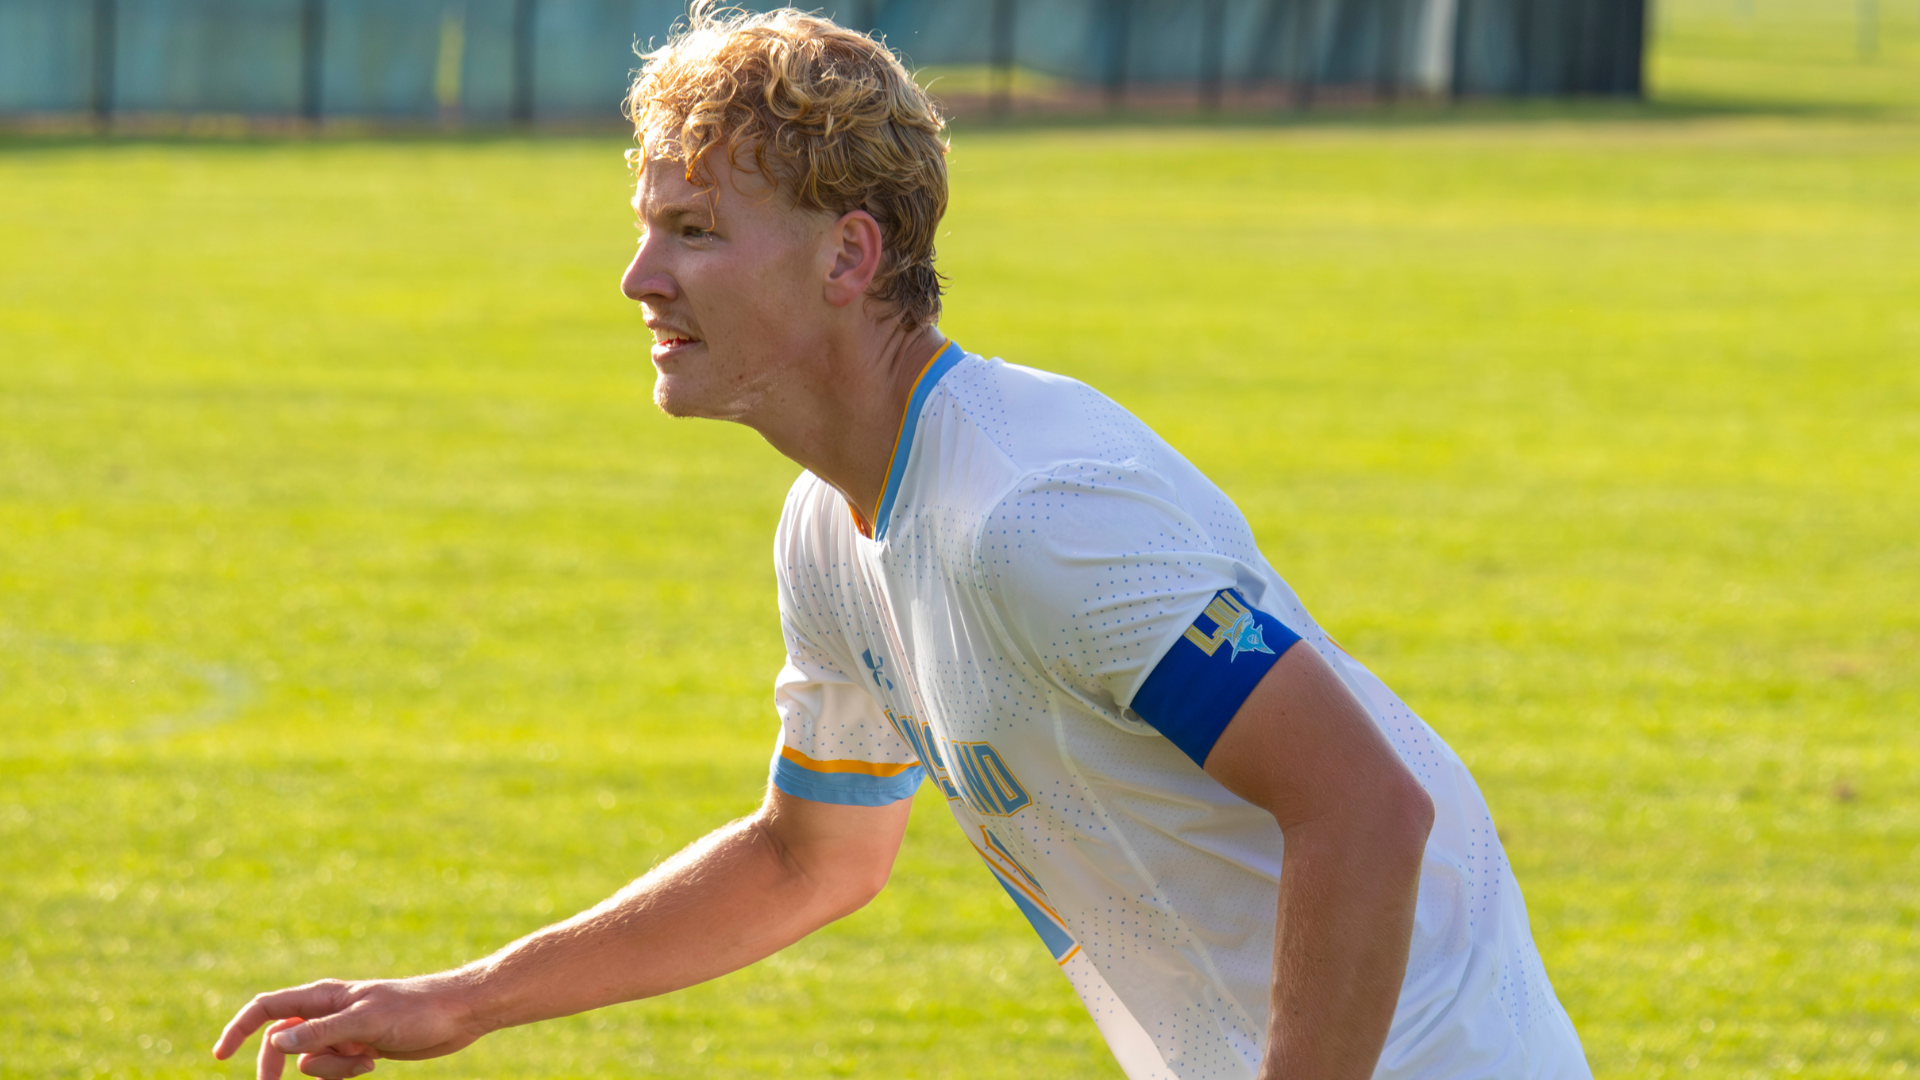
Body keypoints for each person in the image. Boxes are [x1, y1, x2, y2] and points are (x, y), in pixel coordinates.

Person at [211, 7, 1591, 1080]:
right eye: (646, 232)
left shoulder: (1036, 516)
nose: (639, 280)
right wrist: (463, 998)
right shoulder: (832, 526)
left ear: (849, 257)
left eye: (695, 232)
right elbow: (815, 857)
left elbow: (1366, 804)